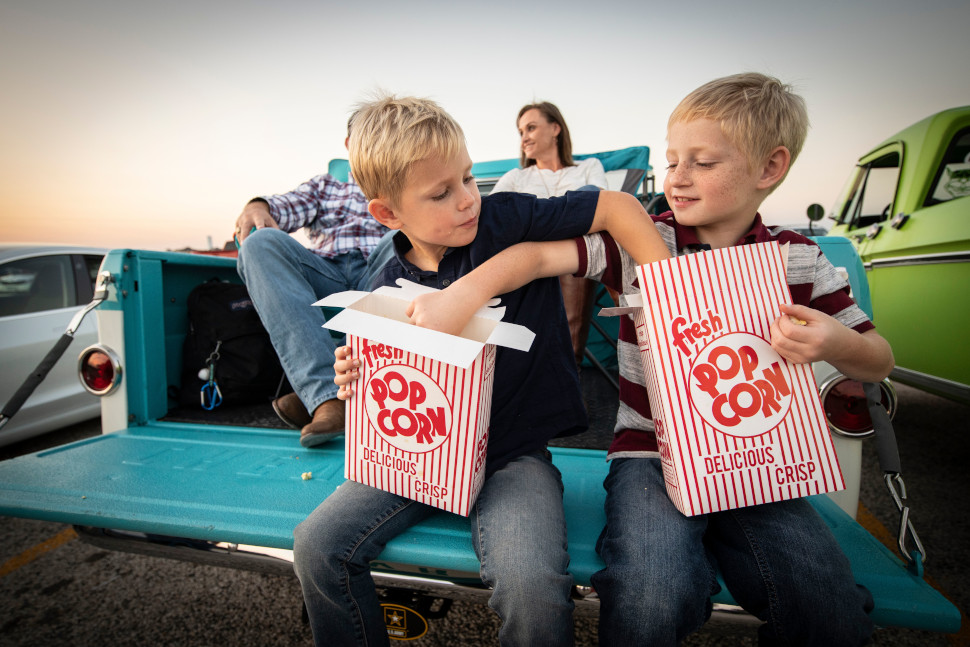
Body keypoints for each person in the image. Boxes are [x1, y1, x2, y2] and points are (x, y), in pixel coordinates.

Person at [400, 72, 891, 646]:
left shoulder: (798, 261)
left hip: (759, 465)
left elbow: (876, 359)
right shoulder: (642, 243)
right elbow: (534, 258)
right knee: (652, 588)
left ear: (769, 168)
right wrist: (462, 295)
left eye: (701, 163)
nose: (677, 178)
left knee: (827, 606)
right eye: (672, 159)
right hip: (650, 455)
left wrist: (833, 341)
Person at [292, 94, 670, 647]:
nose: (469, 200)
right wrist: (353, 378)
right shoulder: (382, 285)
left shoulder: (506, 216)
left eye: (469, 178)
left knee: (534, 586)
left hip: (513, 457)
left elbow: (616, 209)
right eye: (442, 193)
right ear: (388, 214)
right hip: (413, 463)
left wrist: (673, 303)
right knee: (315, 545)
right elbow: (386, 384)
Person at [232, 113, 392, 448]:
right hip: (325, 275)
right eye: (364, 136)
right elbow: (282, 207)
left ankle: (319, 397)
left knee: (400, 243)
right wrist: (256, 206)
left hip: (380, 274)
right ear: (349, 145)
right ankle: (327, 398)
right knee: (260, 243)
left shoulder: (402, 181)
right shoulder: (325, 186)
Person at [490, 102, 607, 368]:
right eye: (520, 132)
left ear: (555, 128)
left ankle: (568, 372)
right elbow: (493, 217)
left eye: (531, 128)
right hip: (525, 256)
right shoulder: (516, 176)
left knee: (589, 203)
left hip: (573, 253)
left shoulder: (588, 167)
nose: (524, 138)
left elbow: (600, 207)